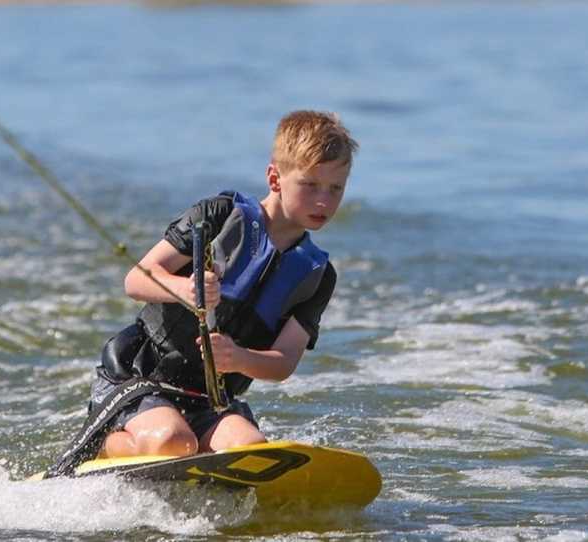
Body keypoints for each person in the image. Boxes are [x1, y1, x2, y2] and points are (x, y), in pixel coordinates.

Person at [45, 110, 358, 477]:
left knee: (251, 451)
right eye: (310, 185)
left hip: (209, 398)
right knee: (173, 443)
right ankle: (108, 442)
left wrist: (239, 358)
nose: (323, 201)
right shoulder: (218, 216)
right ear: (275, 177)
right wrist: (183, 288)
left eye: (335, 189)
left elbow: (283, 362)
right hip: (140, 378)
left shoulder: (316, 275)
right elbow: (136, 279)